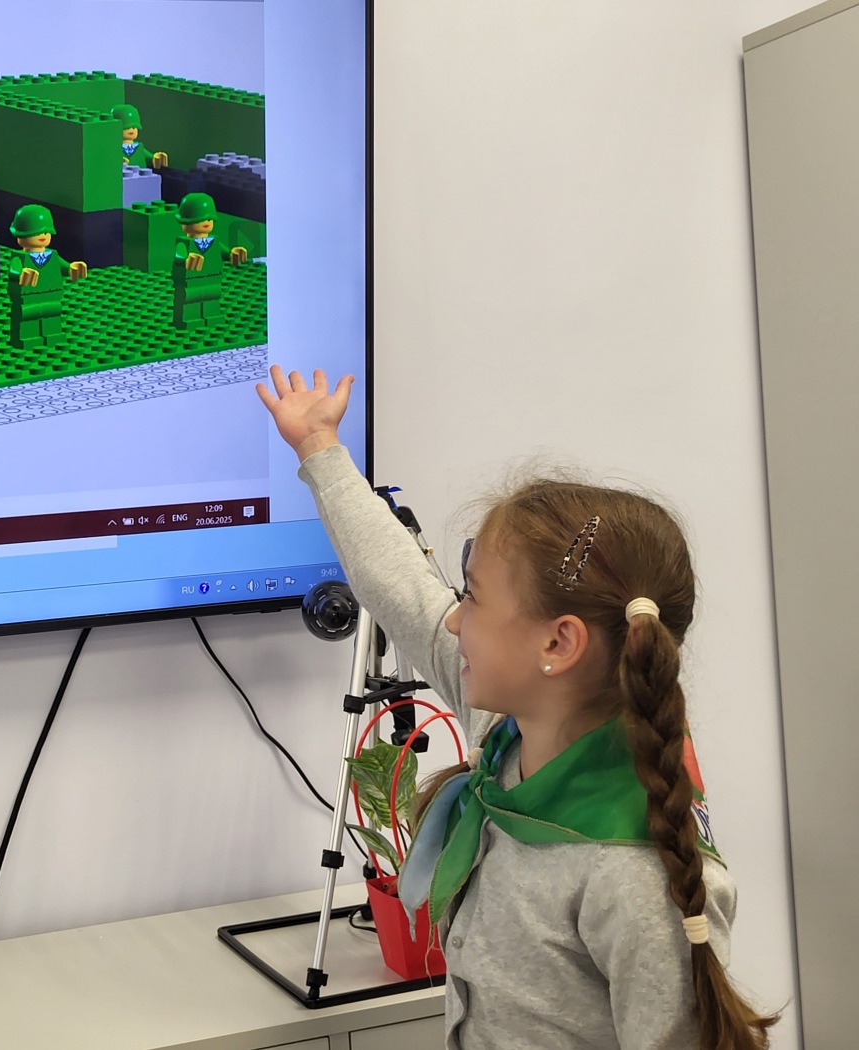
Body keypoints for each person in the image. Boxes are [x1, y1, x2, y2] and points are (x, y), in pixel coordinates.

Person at [255, 364, 781, 1049]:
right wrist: (319, 448)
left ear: (557, 645)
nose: (453, 620)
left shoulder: (632, 876)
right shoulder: (509, 729)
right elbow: (405, 592)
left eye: (472, 597)